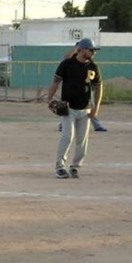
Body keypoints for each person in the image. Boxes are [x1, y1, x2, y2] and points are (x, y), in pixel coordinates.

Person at [46, 37, 103, 179]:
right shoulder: (67, 64)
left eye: (94, 50)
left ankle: (75, 167)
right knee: (67, 136)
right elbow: (56, 81)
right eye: (91, 50)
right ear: (82, 50)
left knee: (82, 141)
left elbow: (99, 86)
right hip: (69, 108)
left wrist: (96, 106)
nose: (94, 52)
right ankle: (60, 167)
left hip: (85, 110)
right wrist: (49, 98)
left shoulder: (93, 67)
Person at [57, 41, 107, 132]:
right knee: (67, 108)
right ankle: (62, 125)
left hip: (86, 88)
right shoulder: (71, 59)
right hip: (71, 89)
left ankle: (97, 125)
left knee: (89, 106)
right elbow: (66, 58)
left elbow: (90, 68)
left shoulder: (87, 59)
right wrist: (75, 50)